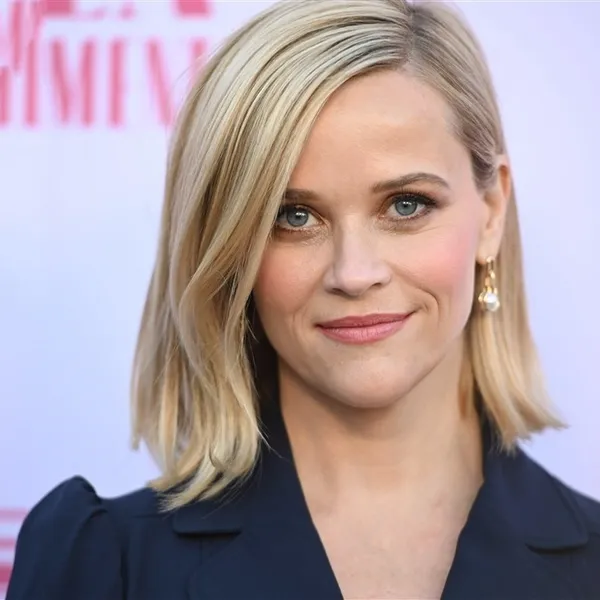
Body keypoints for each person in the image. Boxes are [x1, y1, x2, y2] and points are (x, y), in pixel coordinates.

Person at [7, 0, 600, 598]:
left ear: (492, 211)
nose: (354, 273)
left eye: (406, 205)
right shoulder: (104, 565)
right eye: (294, 216)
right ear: (232, 247)